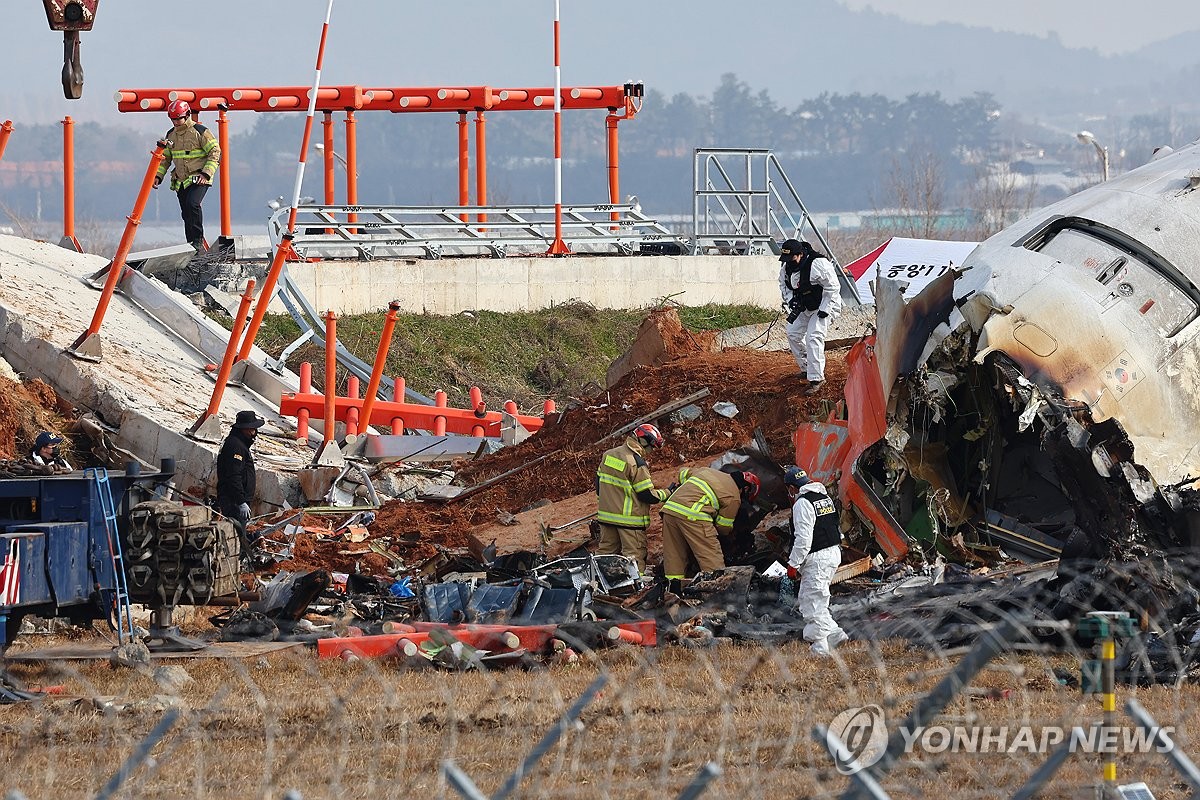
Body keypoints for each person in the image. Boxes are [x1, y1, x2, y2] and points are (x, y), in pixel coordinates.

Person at [783, 466, 848, 656]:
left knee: (811, 602)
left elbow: (803, 538)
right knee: (818, 599)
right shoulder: (824, 498)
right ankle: (835, 634)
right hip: (833, 552)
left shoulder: (802, 503)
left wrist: (793, 564)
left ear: (792, 488)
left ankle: (819, 649)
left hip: (817, 557)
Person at [660, 466, 760, 587]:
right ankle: (715, 592)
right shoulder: (734, 496)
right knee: (711, 559)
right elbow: (723, 527)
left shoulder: (707, 471)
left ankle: (673, 591)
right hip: (694, 515)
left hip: (670, 510)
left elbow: (683, 472)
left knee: (674, 556)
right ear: (745, 489)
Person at [595, 423, 668, 575]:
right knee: (633, 560)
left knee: (604, 556)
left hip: (606, 518)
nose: (651, 451)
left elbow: (598, 485)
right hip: (630, 522)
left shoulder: (608, 455)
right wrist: (668, 492)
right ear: (645, 442)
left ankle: (599, 588)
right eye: (652, 447)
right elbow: (647, 495)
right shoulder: (636, 462)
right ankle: (636, 593)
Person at [779, 238, 843, 395]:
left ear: (800, 254)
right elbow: (783, 285)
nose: (789, 262)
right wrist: (791, 300)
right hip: (805, 306)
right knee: (792, 333)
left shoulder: (818, 264)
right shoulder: (786, 268)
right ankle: (806, 368)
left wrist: (825, 309)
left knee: (813, 336)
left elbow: (833, 287)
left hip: (826, 305)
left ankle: (816, 378)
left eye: (792, 258)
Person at [154, 100, 220, 250]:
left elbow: (215, 152)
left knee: (193, 204)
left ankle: (197, 241)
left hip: (199, 178)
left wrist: (206, 173)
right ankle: (191, 245)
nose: (176, 122)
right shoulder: (171, 135)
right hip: (180, 181)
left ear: (187, 115)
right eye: (173, 119)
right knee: (186, 213)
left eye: (178, 118)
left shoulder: (200, 132)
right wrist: (158, 176)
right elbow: (165, 159)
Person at [217, 410, 264, 548]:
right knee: (236, 536)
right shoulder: (236, 446)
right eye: (252, 429)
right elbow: (233, 476)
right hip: (233, 501)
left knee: (240, 534)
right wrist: (240, 501)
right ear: (245, 429)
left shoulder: (239, 443)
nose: (254, 433)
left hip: (237, 500)